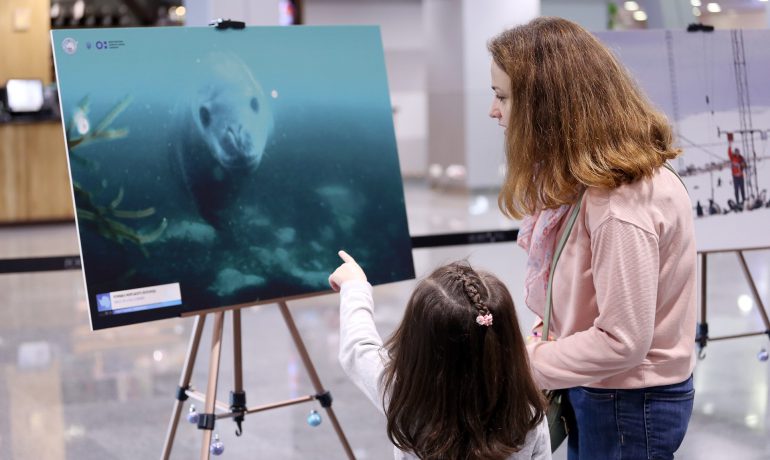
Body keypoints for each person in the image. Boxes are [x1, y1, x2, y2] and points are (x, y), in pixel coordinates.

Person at [487, 17, 697, 459]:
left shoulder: (618, 204)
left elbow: (622, 340)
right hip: (608, 392)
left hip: (625, 399)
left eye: (503, 97)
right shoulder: (595, 184)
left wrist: (526, 363)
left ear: (547, 105)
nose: (494, 111)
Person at [329, 251, 551, 460]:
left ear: (417, 345)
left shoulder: (403, 397)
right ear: (507, 341)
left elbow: (358, 347)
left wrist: (355, 287)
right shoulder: (526, 413)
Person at [727, 134, 747, 205]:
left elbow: (745, 165)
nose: (737, 153)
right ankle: (738, 202)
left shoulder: (741, 158)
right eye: (736, 152)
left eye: (738, 152)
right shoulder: (732, 157)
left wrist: (741, 165)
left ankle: (744, 201)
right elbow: (729, 153)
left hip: (740, 176)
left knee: (742, 189)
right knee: (736, 190)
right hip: (735, 176)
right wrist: (729, 145)